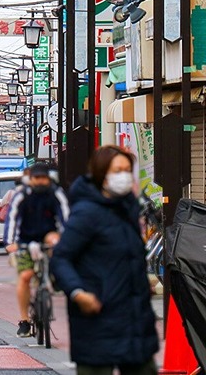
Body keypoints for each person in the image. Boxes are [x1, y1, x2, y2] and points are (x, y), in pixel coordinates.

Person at [50, 146, 159, 375]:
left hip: (133, 318)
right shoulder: (87, 212)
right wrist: (78, 293)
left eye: (127, 170)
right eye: (118, 170)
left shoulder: (128, 209)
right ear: (102, 174)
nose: (124, 176)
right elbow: (61, 258)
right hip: (97, 319)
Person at [3, 163, 70, 338]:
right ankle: (24, 320)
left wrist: (67, 237)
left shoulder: (56, 193)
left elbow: (65, 217)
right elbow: (12, 219)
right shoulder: (21, 195)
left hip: (48, 237)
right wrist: (10, 243)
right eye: (37, 178)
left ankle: (54, 276)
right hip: (25, 240)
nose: (40, 181)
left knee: (55, 243)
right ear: (30, 179)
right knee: (25, 276)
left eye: (43, 178)